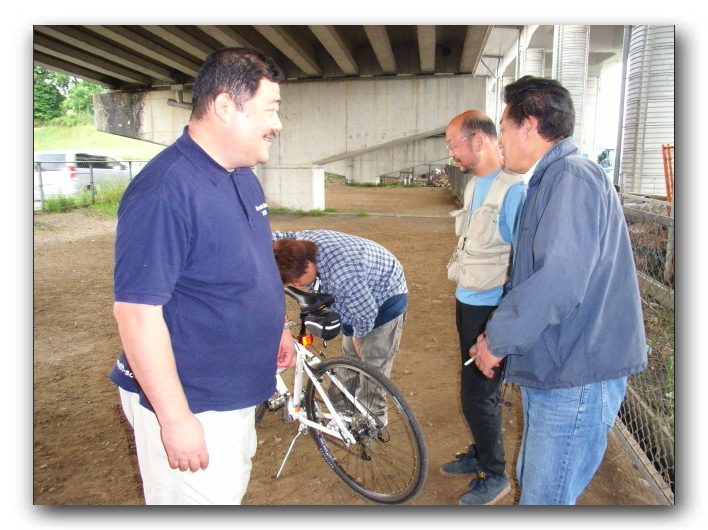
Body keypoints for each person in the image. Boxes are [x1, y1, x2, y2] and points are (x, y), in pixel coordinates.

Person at [108, 47, 296, 505]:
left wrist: (278, 325)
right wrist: (174, 419)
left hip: (232, 392)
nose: (277, 124)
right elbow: (136, 313)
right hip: (193, 400)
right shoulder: (164, 190)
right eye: (270, 109)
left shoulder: (241, 174)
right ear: (226, 106)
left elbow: (250, 264)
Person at [470, 75, 647, 505]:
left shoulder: (571, 177)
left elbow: (559, 279)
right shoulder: (554, 177)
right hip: (562, 363)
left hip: (576, 372)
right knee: (537, 485)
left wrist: (499, 339)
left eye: (504, 127)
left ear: (529, 125)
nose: (501, 140)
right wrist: (499, 335)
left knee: (545, 499)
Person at [441, 110, 526, 505]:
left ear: (477, 140)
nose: (452, 153)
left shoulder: (513, 191)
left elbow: (523, 265)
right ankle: (482, 454)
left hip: (491, 310)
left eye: (453, 144)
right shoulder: (476, 184)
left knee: (480, 395)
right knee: (472, 389)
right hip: (469, 301)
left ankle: (495, 474)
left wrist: (501, 329)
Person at [271, 230, 407, 388]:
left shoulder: (343, 275)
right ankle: (343, 401)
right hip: (358, 289)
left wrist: (358, 338)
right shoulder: (297, 246)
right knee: (350, 358)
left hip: (385, 294)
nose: (296, 285)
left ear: (307, 265)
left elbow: (366, 313)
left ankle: (371, 403)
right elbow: (271, 238)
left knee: (372, 363)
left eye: (296, 280)